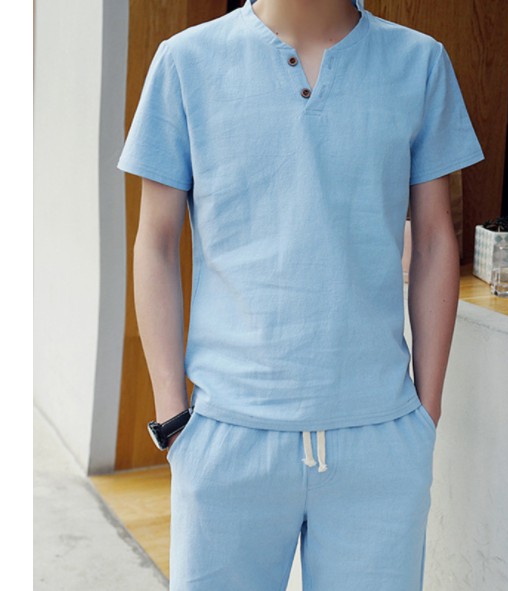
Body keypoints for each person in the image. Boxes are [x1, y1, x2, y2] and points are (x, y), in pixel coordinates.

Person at [117, 0, 485, 588]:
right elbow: (155, 243)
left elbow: (436, 238)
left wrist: (425, 412)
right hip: (227, 431)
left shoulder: (419, 63)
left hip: (381, 434)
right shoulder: (185, 62)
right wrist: (173, 417)